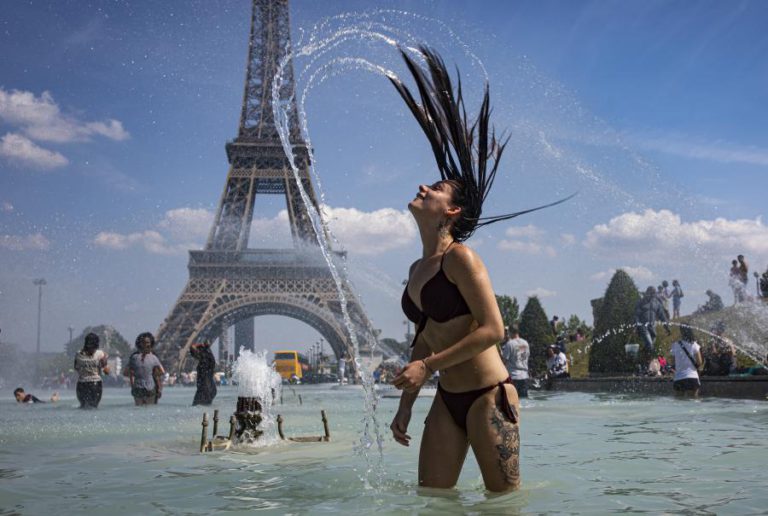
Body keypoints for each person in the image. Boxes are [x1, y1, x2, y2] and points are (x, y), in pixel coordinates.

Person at [388, 47, 570, 493]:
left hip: (489, 394)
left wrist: (426, 367)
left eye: (434, 189)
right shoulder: (416, 268)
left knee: (502, 504)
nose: (423, 187)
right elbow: (423, 337)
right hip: (447, 398)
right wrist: (407, 405)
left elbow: (493, 329)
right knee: (432, 499)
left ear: (450, 212)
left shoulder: (460, 258)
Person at [126, 332, 165, 406]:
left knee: (150, 407)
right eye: (143, 342)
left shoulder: (153, 357)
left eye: (147, 343)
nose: (145, 345)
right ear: (139, 343)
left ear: (151, 344)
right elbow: (130, 374)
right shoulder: (135, 357)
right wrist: (133, 386)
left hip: (151, 387)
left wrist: (159, 389)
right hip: (140, 387)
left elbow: (158, 376)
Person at [73, 332, 109, 409]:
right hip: (95, 384)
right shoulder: (100, 354)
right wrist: (105, 361)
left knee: (83, 407)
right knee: (93, 407)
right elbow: (106, 372)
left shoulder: (78, 354)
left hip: (81, 384)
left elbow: (76, 367)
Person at [635, 286, 670, 358]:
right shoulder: (641, 302)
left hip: (652, 328)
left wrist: (667, 327)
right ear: (647, 292)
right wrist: (636, 326)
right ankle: (645, 359)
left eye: (653, 293)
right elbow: (636, 315)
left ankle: (643, 359)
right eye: (650, 293)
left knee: (650, 347)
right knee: (650, 344)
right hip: (643, 327)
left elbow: (662, 316)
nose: (651, 295)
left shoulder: (657, 303)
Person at [669, 325, 702, 397]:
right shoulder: (694, 344)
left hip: (679, 378)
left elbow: (672, 362)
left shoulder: (675, 345)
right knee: (694, 404)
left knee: (679, 404)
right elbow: (699, 362)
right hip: (692, 377)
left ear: (681, 332)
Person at [500, 326, 530, 398]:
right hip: (524, 376)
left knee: (512, 400)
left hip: (513, 376)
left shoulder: (510, 344)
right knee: (524, 400)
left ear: (510, 332)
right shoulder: (525, 343)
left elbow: (504, 361)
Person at [190, 341, 217, 406]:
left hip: (203, 390)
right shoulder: (210, 357)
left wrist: (200, 344)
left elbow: (192, 347)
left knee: (197, 405)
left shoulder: (203, 358)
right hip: (212, 389)